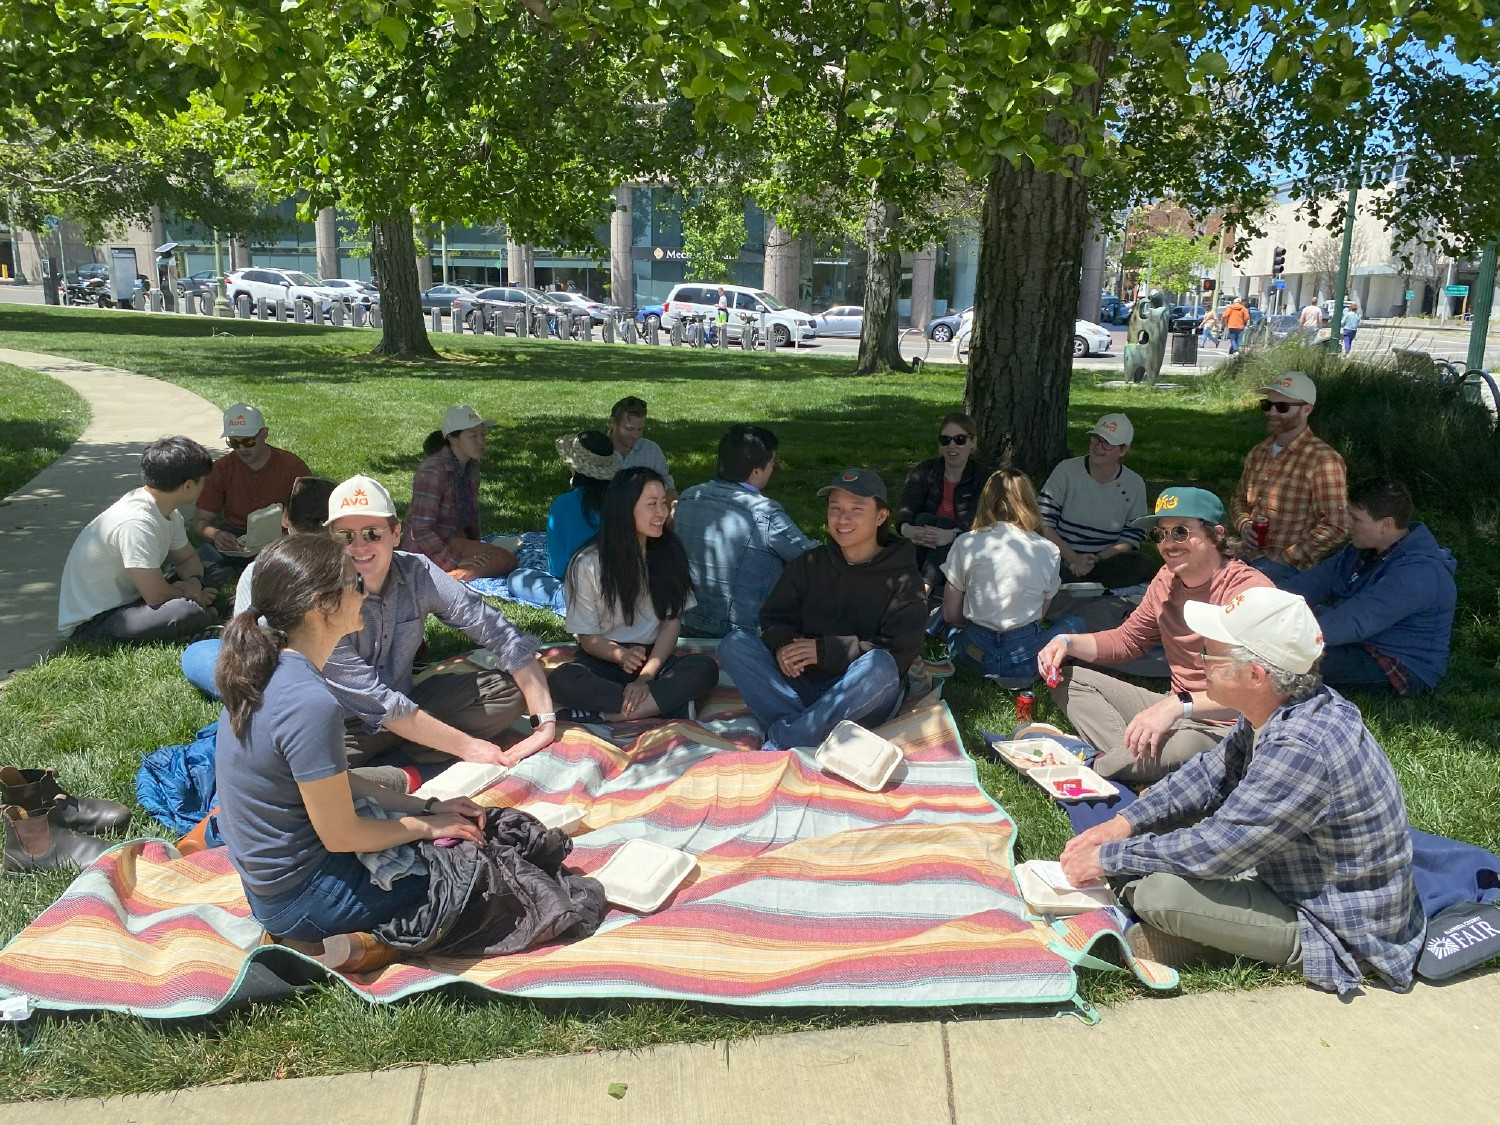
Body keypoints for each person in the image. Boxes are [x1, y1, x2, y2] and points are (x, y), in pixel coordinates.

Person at [1060, 588, 1424, 995]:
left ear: (1256, 675)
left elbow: (1216, 849)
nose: (1200, 663)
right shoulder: (1281, 707)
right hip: (1293, 880)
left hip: (1337, 925)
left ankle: (1213, 942)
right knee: (1155, 843)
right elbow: (1206, 775)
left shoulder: (1301, 748)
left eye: (1209, 655)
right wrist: (1123, 823)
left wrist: (1109, 858)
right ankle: (1205, 932)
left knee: (1158, 893)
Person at [214, 535, 486, 946]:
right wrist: (428, 828)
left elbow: (336, 779)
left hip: (272, 890)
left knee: (438, 838)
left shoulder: (262, 671)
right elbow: (341, 835)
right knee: (467, 873)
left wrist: (429, 807)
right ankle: (355, 949)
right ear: (323, 605)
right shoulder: (310, 700)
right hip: (303, 899)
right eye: (355, 582)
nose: (366, 590)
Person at [321, 475, 560, 790]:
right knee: (304, 781)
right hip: (340, 729)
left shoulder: (418, 572)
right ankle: (410, 771)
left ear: (396, 534)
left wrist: (544, 723)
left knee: (508, 693)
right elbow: (377, 702)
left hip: (407, 704)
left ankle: (398, 761)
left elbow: (497, 631)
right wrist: (465, 746)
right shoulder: (321, 596)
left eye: (371, 533)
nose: (359, 546)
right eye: (345, 536)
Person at [1036, 487, 1272, 783]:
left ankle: (1102, 765)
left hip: (1226, 724)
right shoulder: (1165, 580)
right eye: (1160, 535)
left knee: (1185, 748)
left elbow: (1259, 691)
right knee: (1071, 680)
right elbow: (1127, 641)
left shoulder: (1248, 591)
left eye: (1181, 532)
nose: (1168, 544)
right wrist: (1066, 642)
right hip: (1173, 707)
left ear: (1217, 534)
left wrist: (1177, 706)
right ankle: (1130, 759)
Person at [719, 468, 926, 751]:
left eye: (856, 509)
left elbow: (898, 653)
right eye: (835, 508)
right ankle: (808, 729)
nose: (843, 518)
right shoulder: (809, 563)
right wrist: (781, 646)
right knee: (735, 645)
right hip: (799, 685)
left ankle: (786, 737)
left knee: (881, 666)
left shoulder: (903, 577)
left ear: (881, 516)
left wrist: (825, 651)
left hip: (858, 695)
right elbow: (774, 618)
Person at [548, 467, 719, 722]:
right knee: (564, 679)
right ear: (625, 509)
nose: (661, 513)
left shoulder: (669, 552)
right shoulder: (587, 563)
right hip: (604, 659)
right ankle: (663, 705)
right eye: (652, 504)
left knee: (704, 669)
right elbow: (588, 638)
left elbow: (671, 624)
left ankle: (608, 715)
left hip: (653, 660)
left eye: (663, 503)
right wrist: (621, 655)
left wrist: (646, 677)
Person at [1280, 477, 1457, 695]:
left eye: (1356, 519)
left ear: (1386, 524)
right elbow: (1315, 581)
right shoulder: (1361, 550)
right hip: (1357, 641)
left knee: (1284, 660)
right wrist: (1264, 604)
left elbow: (1355, 620)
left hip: (1397, 663)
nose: (1348, 525)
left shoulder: (1419, 572)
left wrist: (1281, 635)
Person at [181, 475, 336, 697]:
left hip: (267, 677)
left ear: (284, 518)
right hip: (329, 675)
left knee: (196, 653)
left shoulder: (259, 568)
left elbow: (244, 647)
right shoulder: (350, 568)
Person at [58, 436, 219, 643]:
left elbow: (186, 558)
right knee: (183, 611)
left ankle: (205, 612)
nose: (205, 486)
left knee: (211, 563)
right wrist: (190, 594)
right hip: (99, 619)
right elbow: (155, 595)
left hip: (135, 598)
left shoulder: (166, 510)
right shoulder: (136, 522)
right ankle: (206, 614)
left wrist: (195, 583)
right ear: (187, 486)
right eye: (203, 481)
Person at [942, 469, 1083, 683]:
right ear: (1029, 501)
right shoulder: (1049, 550)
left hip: (975, 654)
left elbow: (951, 615)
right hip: (1026, 658)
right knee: (1074, 623)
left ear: (986, 500)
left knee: (949, 628)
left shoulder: (966, 543)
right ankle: (1043, 662)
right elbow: (1040, 615)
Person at [675, 424, 817, 637]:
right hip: (742, 631)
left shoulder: (687, 497)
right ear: (757, 471)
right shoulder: (763, 512)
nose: (773, 470)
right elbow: (811, 559)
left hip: (685, 620)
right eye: (772, 464)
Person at [1230, 370, 1348, 583]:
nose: (1272, 412)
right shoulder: (1259, 452)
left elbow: (1336, 524)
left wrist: (1286, 557)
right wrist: (1244, 524)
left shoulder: (1323, 460)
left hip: (1290, 568)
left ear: (1307, 410)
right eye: (1267, 405)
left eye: (1282, 407)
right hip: (1250, 555)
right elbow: (1238, 500)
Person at [1037, 413, 1154, 589]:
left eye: (1106, 443)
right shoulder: (1066, 470)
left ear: (1123, 450)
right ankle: (1081, 583)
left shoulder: (1134, 483)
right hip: (1061, 554)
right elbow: (1043, 521)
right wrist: (1073, 558)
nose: (1098, 447)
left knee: (1143, 564)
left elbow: (1131, 536)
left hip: (1102, 560)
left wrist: (1097, 558)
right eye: (1095, 439)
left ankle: (1074, 584)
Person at [402, 405, 517, 582]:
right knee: (504, 559)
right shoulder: (433, 471)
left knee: (505, 559)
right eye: (473, 436)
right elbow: (420, 530)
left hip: (451, 539)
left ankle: (451, 576)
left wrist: (475, 545)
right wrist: (457, 560)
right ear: (453, 439)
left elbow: (469, 514)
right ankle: (449, 580)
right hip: (427, 548)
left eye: (482, 434)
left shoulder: (470, 465)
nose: (481, 441)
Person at [194, 404, 311, 570]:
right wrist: (216, 534)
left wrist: (288, 539)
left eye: (248, 442)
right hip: (237, 537)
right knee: (198, 561)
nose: (241, 449)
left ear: (264, 434)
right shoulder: (222, 469)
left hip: (280, 538)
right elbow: (201, 521)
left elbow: (310, 519)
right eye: (234, 443)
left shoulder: (293, 468)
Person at [897, 413, 991, 592]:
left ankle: (923, 586)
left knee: (946, 524)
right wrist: (907, 529)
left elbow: (980, 521)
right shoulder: (925, 471)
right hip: (923, 539)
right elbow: (906, 508)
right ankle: (917, 584)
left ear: (973, 442)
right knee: (924, 518)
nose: (952, 446)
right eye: (945, 440)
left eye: (960, 439)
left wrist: (953, 535)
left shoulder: (983, 478)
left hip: (964, 543)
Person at [608, 396, 676, 502]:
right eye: (629, 429)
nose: (635, 435)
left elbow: (669, 490)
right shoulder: (596, 451)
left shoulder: (651, 451)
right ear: (613, 423)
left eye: (640, 429)